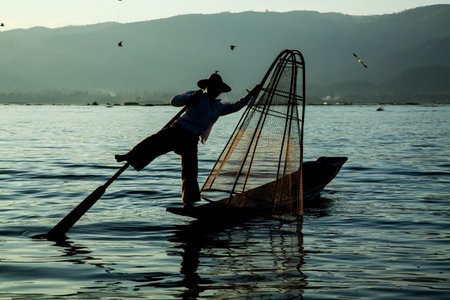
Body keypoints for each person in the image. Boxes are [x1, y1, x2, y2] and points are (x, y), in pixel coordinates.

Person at [115, 73, 261, 208]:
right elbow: (174, 101)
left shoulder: (218, 107)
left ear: (219, 91)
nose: (214, 90)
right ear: (206, 87)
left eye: (217, 88)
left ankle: (188, 202)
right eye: (211, 87)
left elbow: (237, 106)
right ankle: (129, 156)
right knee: (153, 143)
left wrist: (252, 94)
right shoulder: (197, 95)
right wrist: (189, 98)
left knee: (190, 172)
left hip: (191, 140)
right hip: (178, 130)